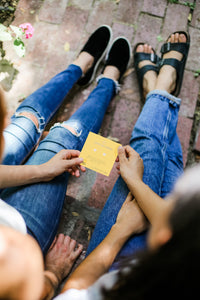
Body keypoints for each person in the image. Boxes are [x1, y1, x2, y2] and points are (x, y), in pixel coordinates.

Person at [53, 31, 196, 300]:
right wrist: (136, 184)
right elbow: (180, 229)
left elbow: (75, 292)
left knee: (154, 150)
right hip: (159, 266)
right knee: (161, 154)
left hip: (110, 267)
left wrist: (121, 229)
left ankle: (157, 89)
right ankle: (160, 85)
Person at [0, 25, 131, 300]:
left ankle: (79, 68)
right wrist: (53, 274)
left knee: (27, 120)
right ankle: (107, 83)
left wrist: (42, 170)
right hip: (23, 233)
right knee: (62, 137)